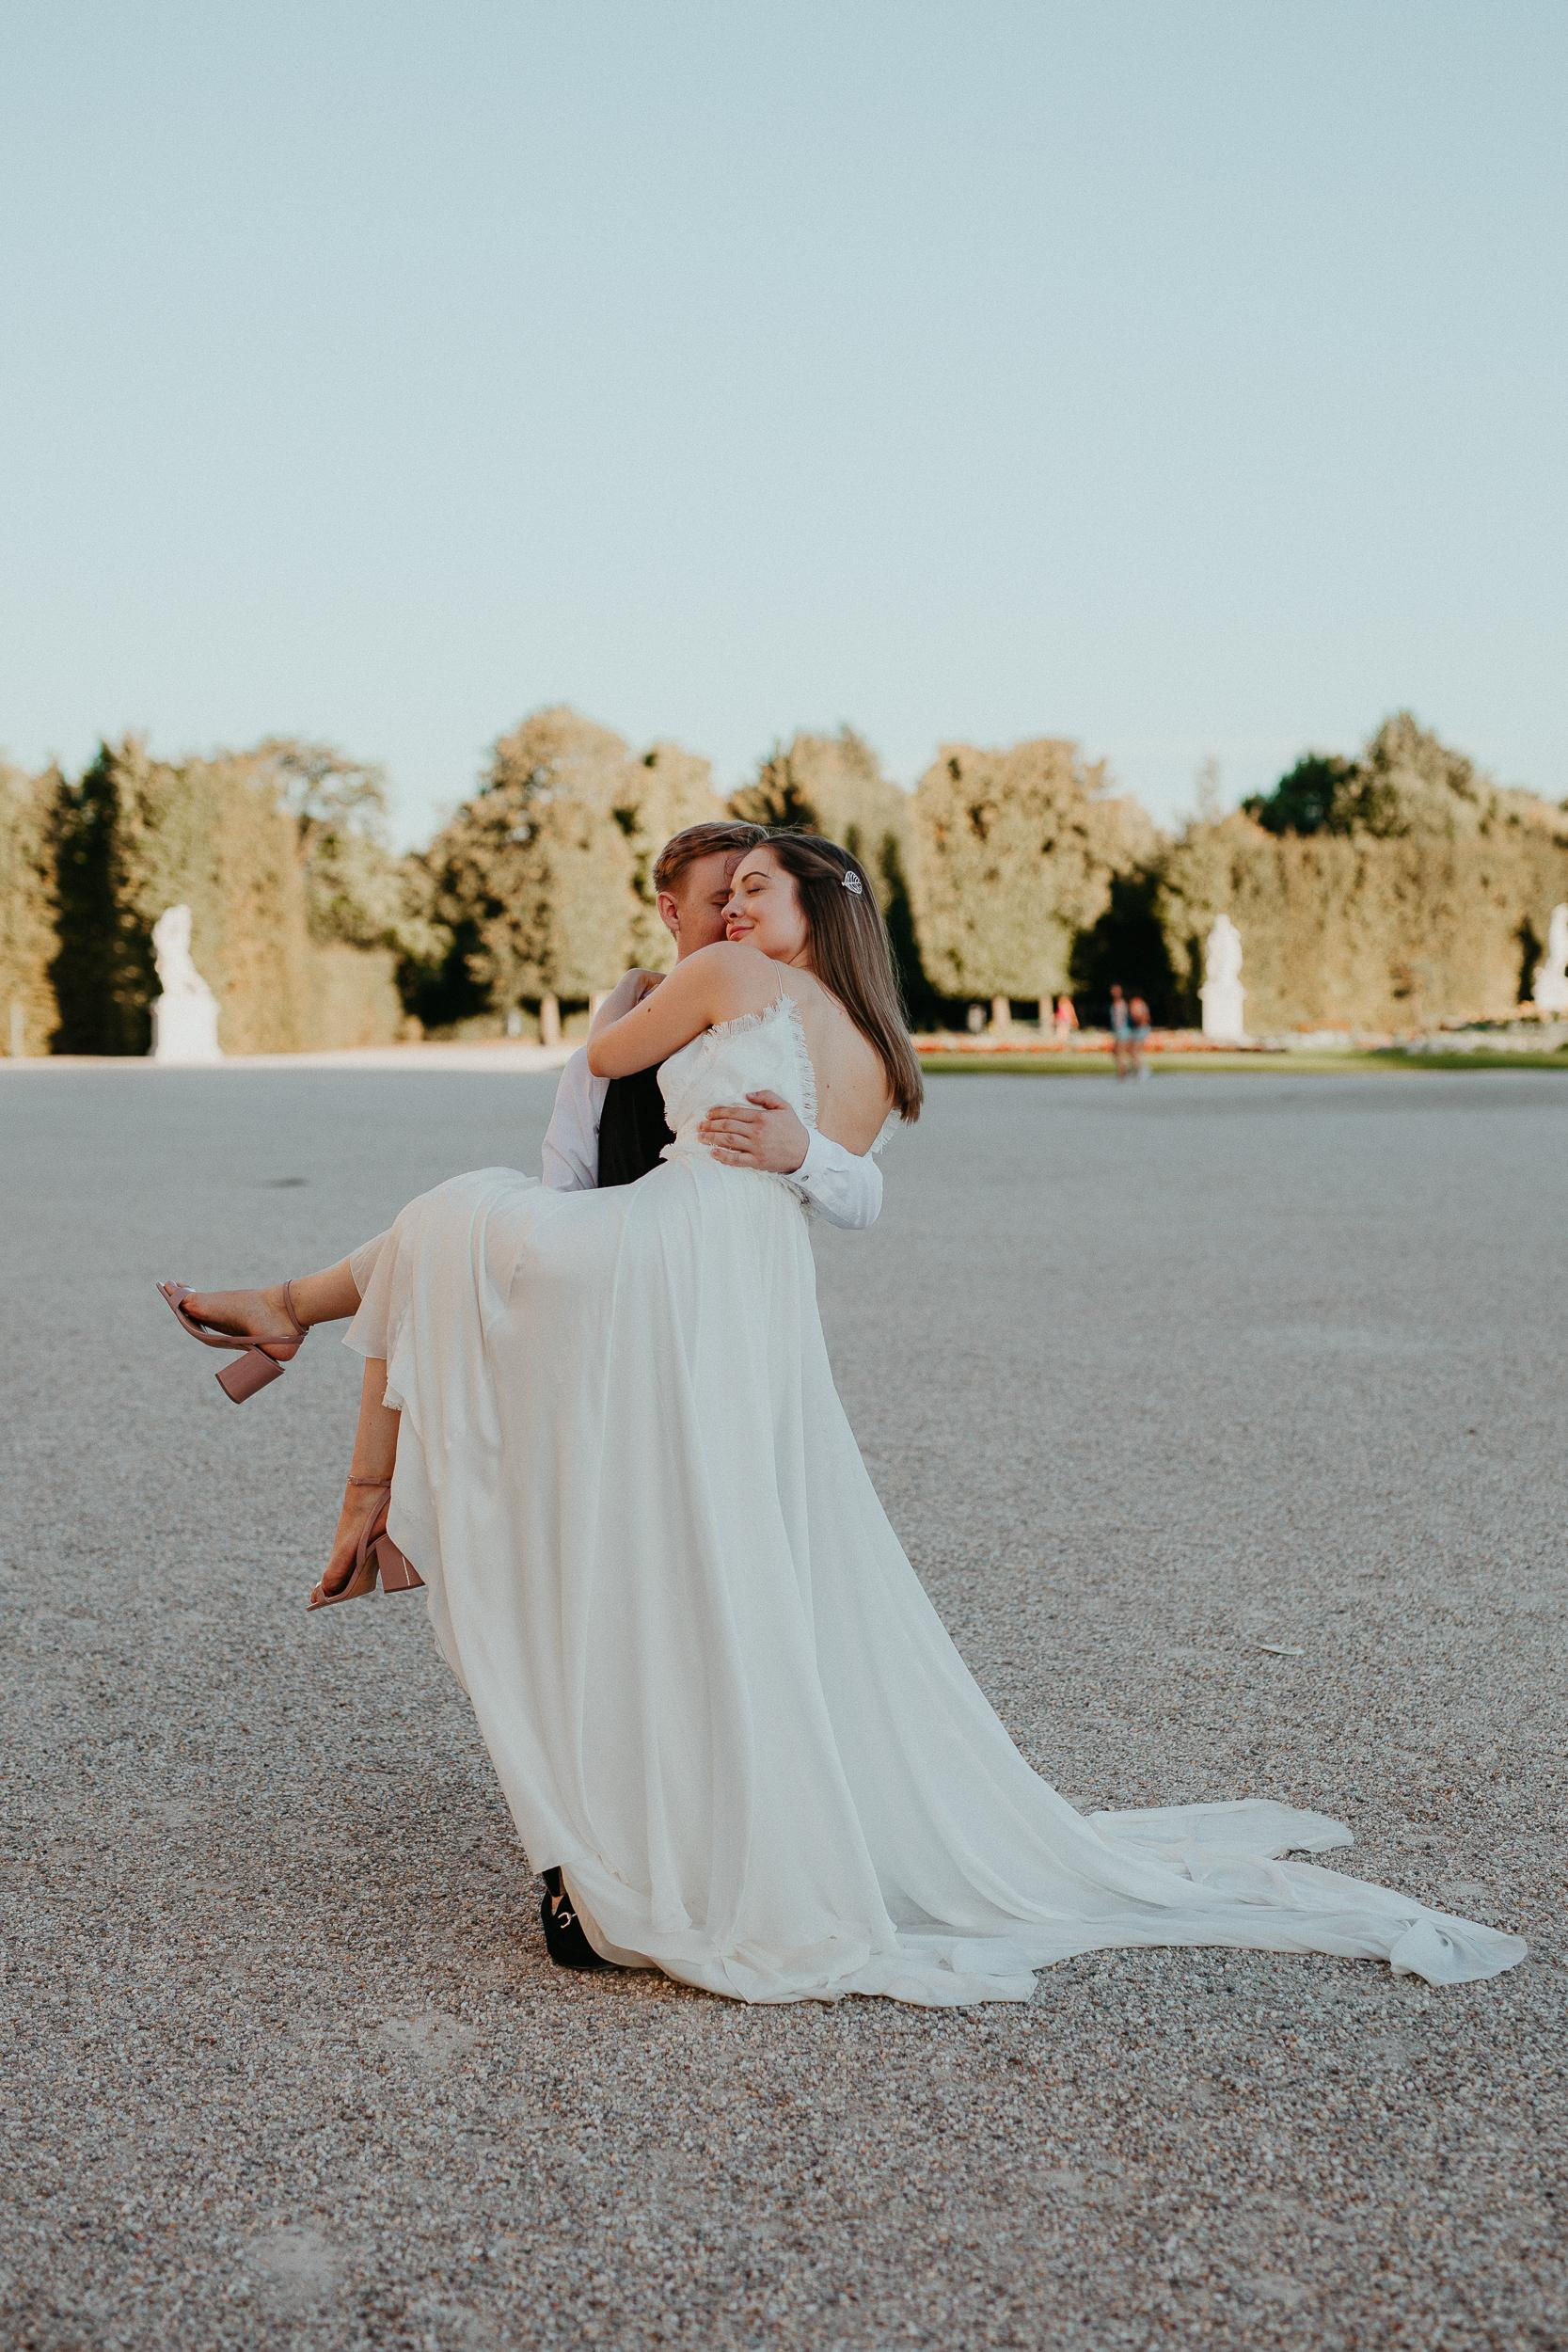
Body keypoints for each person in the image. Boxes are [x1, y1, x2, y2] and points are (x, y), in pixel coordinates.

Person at [159, 834, 1525, 2005]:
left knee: (456, 1210)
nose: (734, 908)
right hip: (746, 1294)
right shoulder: (872, 1045)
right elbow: (850, 1182)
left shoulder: (726, 979)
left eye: (755, 888)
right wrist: (805, 1146)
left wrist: (660, 1009)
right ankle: (299, 1336)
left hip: (676, 1258)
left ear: (814, 906)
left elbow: (612, 1053)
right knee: (549, 1342)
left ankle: (296, 1330)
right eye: (728, 891)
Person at [1108, 983, 1132, 1078]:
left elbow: (1121, 1018)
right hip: (1118, 1030)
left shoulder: (1121, 1003)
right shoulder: (1115, 1003)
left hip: (1122, 1030)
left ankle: (1123, 1070)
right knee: (1116, 1052)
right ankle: (1123, 1069)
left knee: (1118, 1051)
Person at [1128, 993, 1152, 1082]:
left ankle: (1143, 1070)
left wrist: (1136, 1018)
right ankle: (1136, 1069)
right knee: (1132, 1051)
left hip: (1141, 1028)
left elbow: (1143, 1017)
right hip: (1138, 1029)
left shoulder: (1138, 1004)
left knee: (1135, 1051)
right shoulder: (1138, 1004)